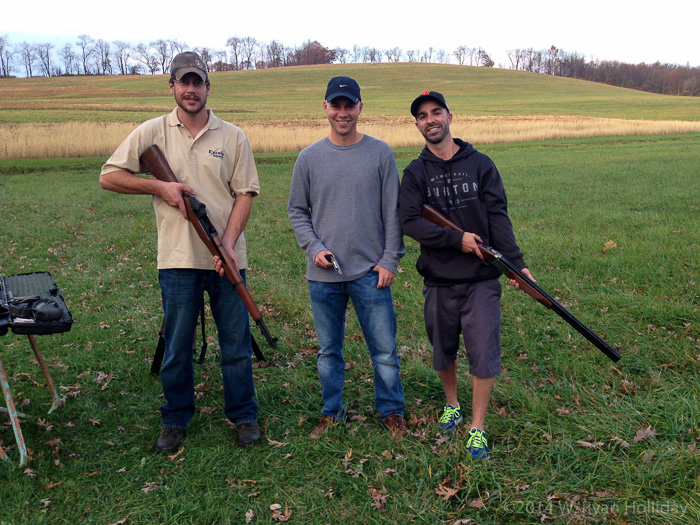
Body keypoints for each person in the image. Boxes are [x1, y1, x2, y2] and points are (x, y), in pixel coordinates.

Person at [99, 51, 261, 453]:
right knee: (177, 346)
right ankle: (175, 418)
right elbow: (109, 177)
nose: (191, 90)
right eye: (183, 82)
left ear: (208, 86)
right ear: (171, 85)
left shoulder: (233, 135)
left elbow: (245, 194)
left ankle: (243, 415)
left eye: (198, 82)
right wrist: (160, 187)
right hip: (177, 259)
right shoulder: (151, 132)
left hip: (228, 259)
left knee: (237, 345)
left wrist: (228, 243)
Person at [398, 91, 535, 459]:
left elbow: (498, 217)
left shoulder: (481, 164)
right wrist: (456, 239)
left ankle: (477, 426)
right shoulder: (414, 173)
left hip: (481, 279)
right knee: (442, 350)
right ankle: (452, 404)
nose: (431, 120)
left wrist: (516, 265)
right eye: (423, 116)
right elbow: (409, 221)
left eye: (436, 112)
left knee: (483, 350)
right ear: (417, 124)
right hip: (438, 280)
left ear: (449, 116)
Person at [288, 76, 409, 440]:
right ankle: (332, 411)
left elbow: (394, 212)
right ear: (325, 107)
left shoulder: (380, 153)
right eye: (336, 105)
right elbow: (297, 211)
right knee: (328, 352)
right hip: (323, 276)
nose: (343, 112)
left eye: (349, 105)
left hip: (371, 273)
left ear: (360, 108)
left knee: (384, 351)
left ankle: (391, 411)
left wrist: (390, 260)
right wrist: (314, 248)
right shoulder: (308, 158)